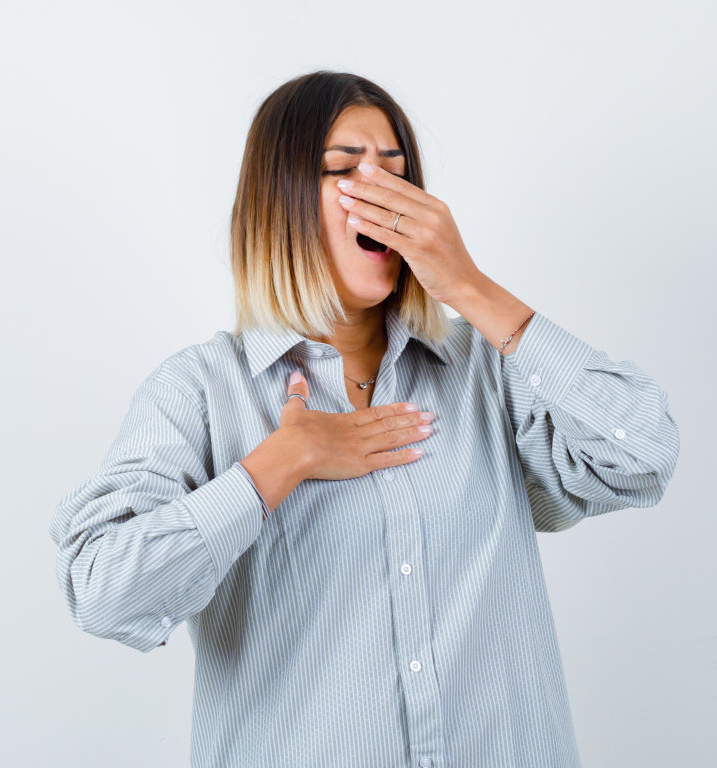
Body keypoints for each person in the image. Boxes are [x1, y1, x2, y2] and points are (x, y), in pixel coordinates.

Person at [46, 70, 680, 768]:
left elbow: (643, 454)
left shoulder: (486, 370)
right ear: (279, 202)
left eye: (398, 171)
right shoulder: (198, 390)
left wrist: (469, 287)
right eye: (344, 169)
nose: (382, 191)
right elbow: (104, 593)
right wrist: (277, 465)